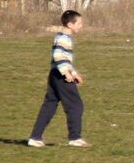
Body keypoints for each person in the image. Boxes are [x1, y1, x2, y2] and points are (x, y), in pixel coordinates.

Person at [27, 10, 89, 148]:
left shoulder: (63, 36)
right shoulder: (63, 38)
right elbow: (58, 55)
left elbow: (64, 58)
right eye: (79, 23)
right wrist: (66, 73)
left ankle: (35, 137)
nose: (81, 26)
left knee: (49, 105)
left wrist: (74, 73)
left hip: (55, 74)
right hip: (61, 76)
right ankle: (75, 138)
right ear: (70, 24)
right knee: (75, 105)